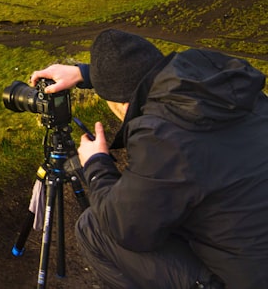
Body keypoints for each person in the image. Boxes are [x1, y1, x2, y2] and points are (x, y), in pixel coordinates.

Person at [30, 28, 268, 289]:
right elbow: (143, 76)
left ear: (120, 104)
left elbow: (126, 228)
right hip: (252, 248)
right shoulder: (224, 88)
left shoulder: (163, 136)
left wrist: (97, 164)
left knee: (95, 228)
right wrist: (85, 74)